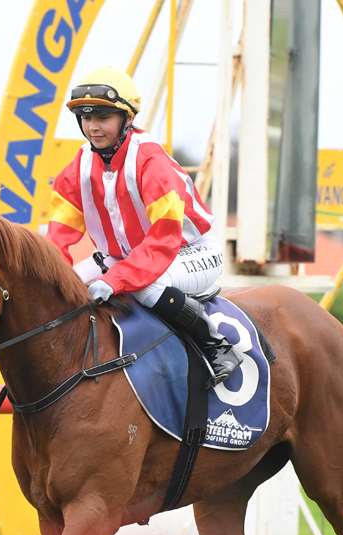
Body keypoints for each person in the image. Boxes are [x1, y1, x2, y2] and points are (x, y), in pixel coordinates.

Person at [45, 66, 242, 384]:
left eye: (103, 118)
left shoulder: (151, 163)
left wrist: (116, 279)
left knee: (143, 286)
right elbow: (57, 238)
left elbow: (163, 240)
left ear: (127, 119)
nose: (93, 127)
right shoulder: (78, 168)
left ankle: (217, 346)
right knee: (69, 285)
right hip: (125, 257)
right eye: (86, 118)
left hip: (188, 252)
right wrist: (53, 278)